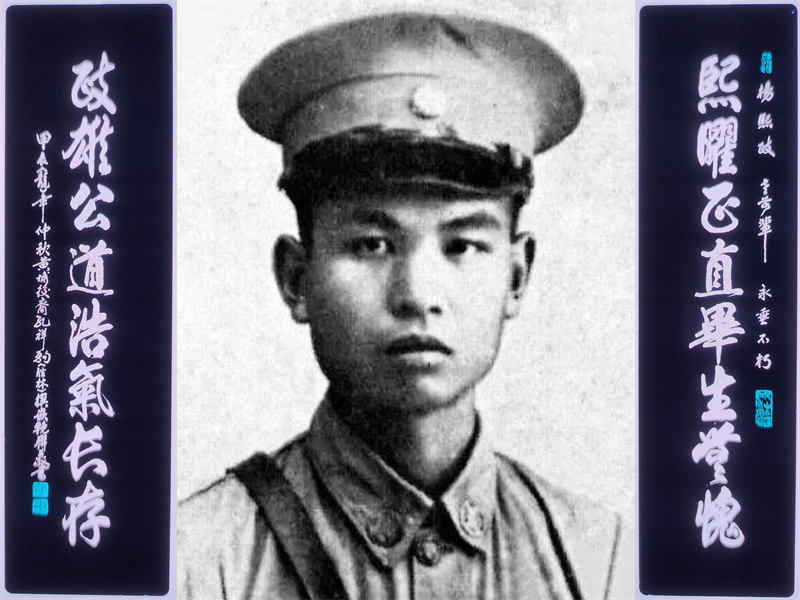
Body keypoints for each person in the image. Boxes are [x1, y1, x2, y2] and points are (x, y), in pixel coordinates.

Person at [179, 10, 626, 600]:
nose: (417, 295)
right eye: (371, 245)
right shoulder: (198, 561)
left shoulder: (598, 563)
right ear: (296, 278)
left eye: (463, 245)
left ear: (516, 277)